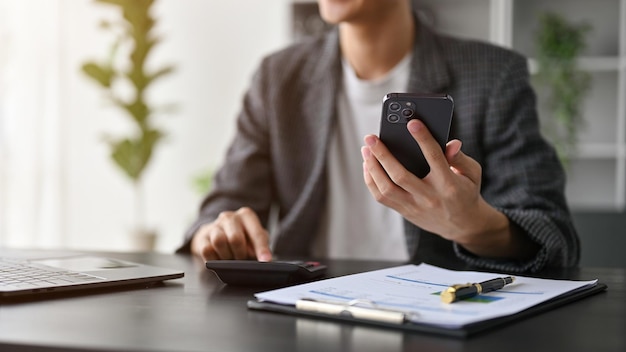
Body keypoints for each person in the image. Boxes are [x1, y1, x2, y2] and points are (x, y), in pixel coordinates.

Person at [177, 0, 580, 273]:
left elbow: (555, 236)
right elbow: (222, 207)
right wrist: (215, 234)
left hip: (439, 319)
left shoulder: (493, 75)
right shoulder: (278, 77)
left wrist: (474, 226)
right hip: (305, 308)